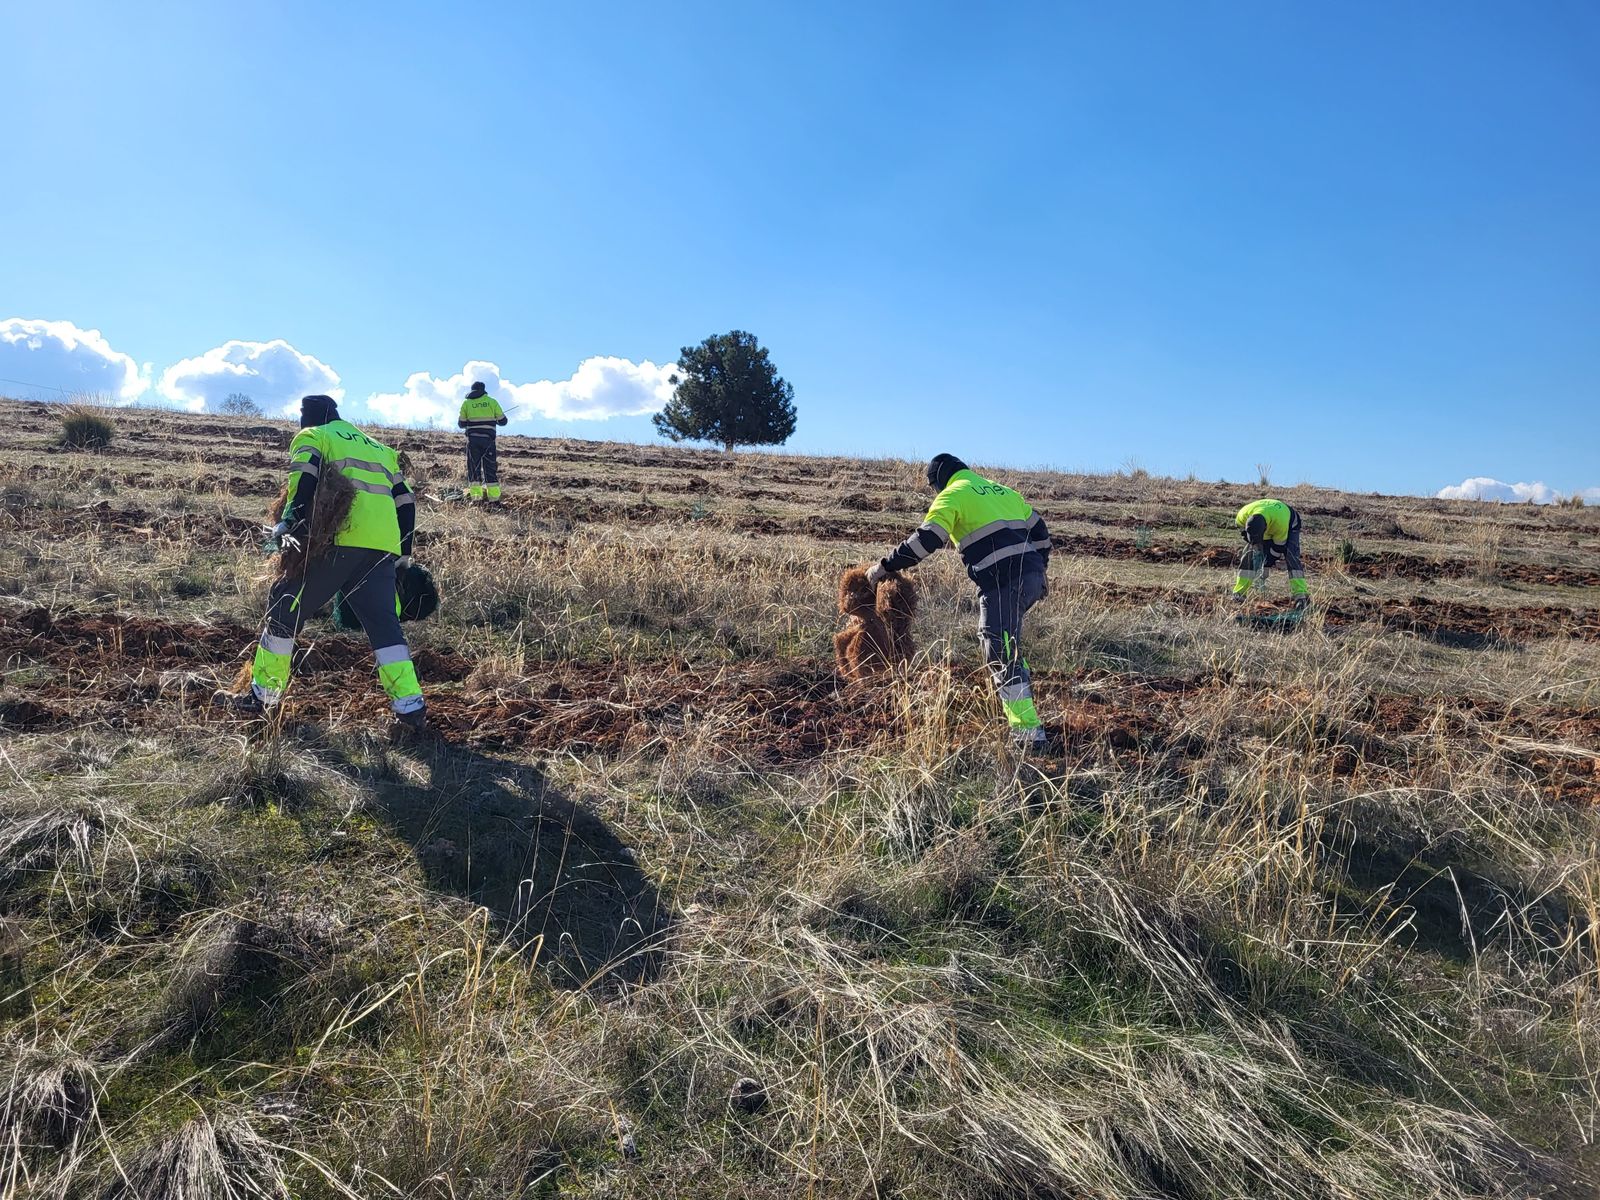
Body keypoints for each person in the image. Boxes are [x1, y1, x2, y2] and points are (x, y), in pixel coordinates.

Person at [214, 394, 427, 730]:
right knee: (385, 627)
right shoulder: (379, 448)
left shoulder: (314, 436)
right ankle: (411, 708)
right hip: (382, 549)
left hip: (337, 540)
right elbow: (406, 500)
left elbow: (305, 477)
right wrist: (403, 552)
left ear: (308, 416)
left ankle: (263, 697)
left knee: (284, 606)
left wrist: (288, 523)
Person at [868, 453, 1055, 750]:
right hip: (1032, 578)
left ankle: (1029, 737)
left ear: (939, 481)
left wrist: (885, 566)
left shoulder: (953, 494)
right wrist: (1037, 567)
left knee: (1000, 650)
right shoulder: (1002, 490)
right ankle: (1017, 707)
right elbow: (1041, 531)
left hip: (1002, 582)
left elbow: (926, 540)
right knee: (1007, 643)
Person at [1233, 497, 1309, 609]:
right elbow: (1243, 534)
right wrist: (1256, 548)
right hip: (1268, 518)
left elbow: (1278, 548)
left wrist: (1266, 564)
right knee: (1249, 553)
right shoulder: (1241, 516)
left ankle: (1301, 596)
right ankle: (1239, 594)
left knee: (1291, 555)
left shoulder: (1280, 524)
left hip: (1289, 522)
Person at [458, 380, 508, 502]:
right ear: (484, 390)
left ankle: (476, 499)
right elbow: (503, 421)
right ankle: (494, 500)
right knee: (490, 469)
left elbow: (461, 424)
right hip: (488, 441)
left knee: (474, 469)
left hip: (473, 441)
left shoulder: (466, 403)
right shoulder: (492, 402)